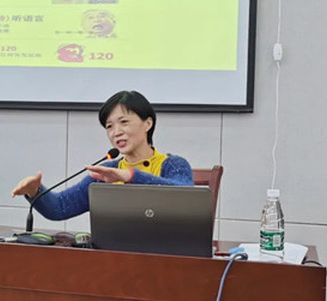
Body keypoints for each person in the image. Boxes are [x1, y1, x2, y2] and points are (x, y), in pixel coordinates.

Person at [11, 90, 193, 221]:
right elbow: (60, 208)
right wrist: (35, 191)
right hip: (112, 256)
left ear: (147, 124)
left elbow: (186, 197)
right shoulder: (107, 172)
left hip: (165, 256)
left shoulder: (173, 164)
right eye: (109, 126)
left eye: (124, 122)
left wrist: (130, 176)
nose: (116, 132)